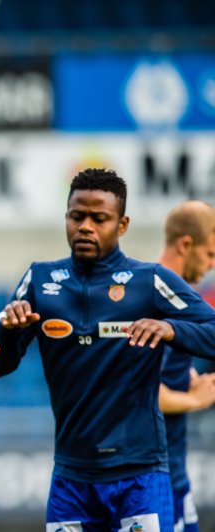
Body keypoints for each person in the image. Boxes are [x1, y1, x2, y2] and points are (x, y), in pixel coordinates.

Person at [0, 168, 215, 531]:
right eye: (77, 216)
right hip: (71, 478)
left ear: (122, 225)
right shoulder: (39, 280)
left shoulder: (150, 281)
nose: (86, 227)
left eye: (100, 218)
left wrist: (171, 328)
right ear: (66, 217)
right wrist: (8, 331)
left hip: (140, 476)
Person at [157, 201, 215, 532]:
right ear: (186, 245)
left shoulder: (180, 299)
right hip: (154, 475)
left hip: (173, 470)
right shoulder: (158, 298)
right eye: (209, 254)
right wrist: (196, 400)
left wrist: (188, 377)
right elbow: (139, 391)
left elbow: (164, 365)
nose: (212, 264)